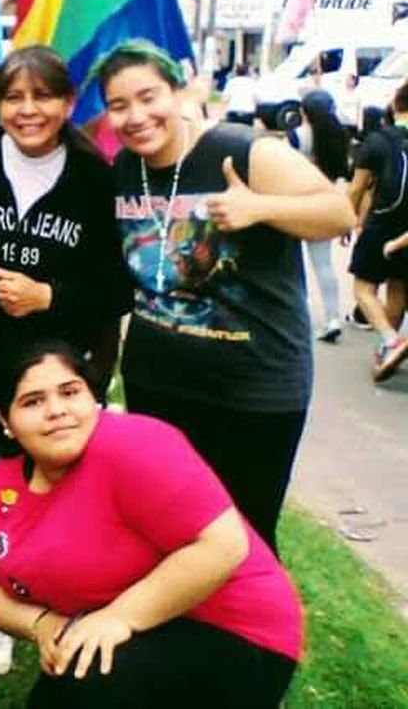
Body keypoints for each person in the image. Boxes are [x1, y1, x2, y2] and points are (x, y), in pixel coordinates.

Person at [95, 39, 354, 551]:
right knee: (168, 528)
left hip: (252, 388)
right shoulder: (124, 169)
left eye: (148, 97)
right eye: (118, 105)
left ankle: (248, 610)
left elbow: (339, 214)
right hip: (157, 383)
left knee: (246, 541)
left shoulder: (244, 151)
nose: (136, 116)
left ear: (179, 93)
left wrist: (261, 207)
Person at [0, 341, 303, 708]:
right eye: (32, 401)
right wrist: (43, 623)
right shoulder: (1, 483)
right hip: (140, 624)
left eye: (70, 392)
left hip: (234, 628)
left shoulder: (132, 445)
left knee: (82, 683)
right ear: (5, 421)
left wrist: (119, 618)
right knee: (73, 679)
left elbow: (224, 545)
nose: (57, 410)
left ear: (93, 396)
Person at [0, 46, 132, 674]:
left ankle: (61, 586)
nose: (28, 110)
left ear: (69, 103)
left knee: (53, 476)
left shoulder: (92, 175)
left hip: (50, 361)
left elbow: (117, 286)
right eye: (14, 97)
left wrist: (48, 296)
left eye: (43, 96)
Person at [347, 79, 408, 380]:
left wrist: (347, 219)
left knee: (363, 288)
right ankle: (388, 348)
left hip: (382, 223)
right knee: (398, 286)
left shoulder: (377, 141)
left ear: (395, 106)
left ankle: (390, 340)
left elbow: (357, 188)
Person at [288, 89, 351, 343]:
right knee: (324, 265)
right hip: (324, 204)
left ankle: (297, 316)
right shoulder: (338, 136)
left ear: (304, 112)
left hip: (295, 204)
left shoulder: (296, 136)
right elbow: (342, 175)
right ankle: (333, 318)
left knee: (292, 264)